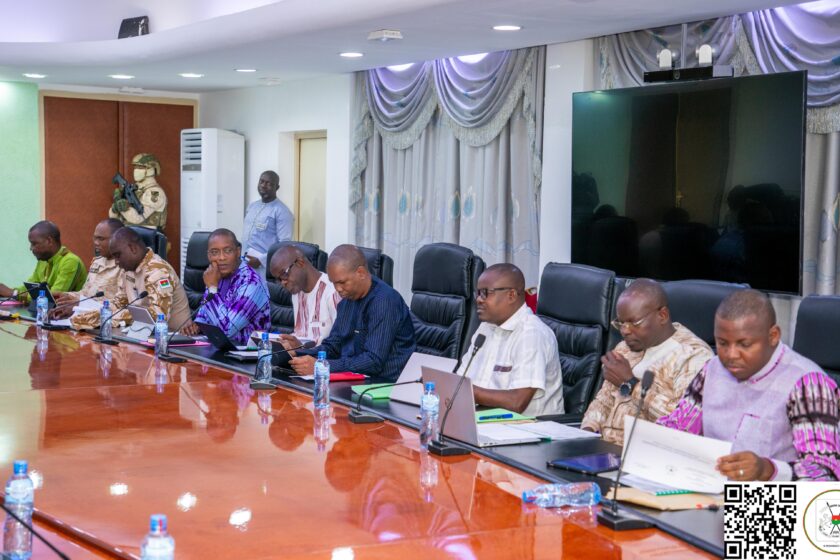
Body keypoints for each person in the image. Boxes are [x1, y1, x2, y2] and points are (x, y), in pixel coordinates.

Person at [659, 290, 840, 481]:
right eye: (722, 343)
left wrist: (767, 470)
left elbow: (824, 473)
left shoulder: (808, 384)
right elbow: (679, 427)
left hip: (773, 503)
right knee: (636, 507)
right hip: (711, 490)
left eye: (744, 344)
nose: (731, 355)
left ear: (773, 336)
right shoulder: (712, 369)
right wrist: (646, 437)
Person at [581, 279, 712, 444]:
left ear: (662, 315)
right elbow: (603, 401)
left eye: (634, 323)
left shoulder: (692, 356)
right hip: (603, 449)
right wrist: (586, 434)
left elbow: (684, 426)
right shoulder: (625, 348)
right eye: (621, 323)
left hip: (646, 457)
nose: (624, 331)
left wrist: (631, 384)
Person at [288, 245, 415, 380]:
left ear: (360, 273)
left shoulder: (385, 301)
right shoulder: (347, 300)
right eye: (334, 283)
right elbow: (333, 346)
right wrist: (297, 355)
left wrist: (323, 365)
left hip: (385, 385)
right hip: (354, 380)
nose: (338, 289)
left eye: (342, 282)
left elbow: (373, 361)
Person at [456, 264, 563, 416]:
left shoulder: (531, 334)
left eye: (485, 293)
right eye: (478, 293)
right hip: (487, 419)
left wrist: (466, 391)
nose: (479, 300)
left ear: (511, 295)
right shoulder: (485, 328)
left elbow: (516, 402)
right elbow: (462, 380)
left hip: (529, 430)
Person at [70, 227, 191, 331]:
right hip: (143, 333)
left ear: (133, 248)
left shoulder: (158, 271)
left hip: (173, 338)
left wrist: (106, 319)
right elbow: (119, 302)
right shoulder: (128, 269)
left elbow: (158, 315)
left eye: (118, 256)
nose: (117, 262)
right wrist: (94, 315)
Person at [181, 229, 270, 344]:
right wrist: (197, 326)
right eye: (214, 252)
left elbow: (226, 330)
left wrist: (212, 288)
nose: (221, 258)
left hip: (248, 356)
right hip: (219, 350)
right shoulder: (216, 275)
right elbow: (203, 317)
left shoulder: (251, 283)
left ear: (238, 252)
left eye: (227, 251)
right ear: (208, 255)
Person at [51, 219, 124, 319]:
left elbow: (120, 304)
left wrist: (80, 305)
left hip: (108, 321)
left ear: (117, 239)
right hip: (86, 318)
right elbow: (86, 293)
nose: (96, 243)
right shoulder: (97, 262)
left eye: (101, 239)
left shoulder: (125, 265)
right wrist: (65, 296)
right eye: (95, 238)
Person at [269, 245, 340, 346]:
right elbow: (302, 336)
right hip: (299, 358)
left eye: (284, 275)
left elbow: (340, 344)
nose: (283, 283)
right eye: (279, 279)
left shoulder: (332, 292)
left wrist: (301, 349)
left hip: (321, 360)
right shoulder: (297, 292)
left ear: (300, 263)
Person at [0, 221, 86, 303]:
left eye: (34, 244)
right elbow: (30, 288)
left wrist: (14, 294)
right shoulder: (44, 260)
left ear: (49, 241)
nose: (31, 248)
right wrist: (8, 291)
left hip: (68, 316)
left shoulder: (70, 261)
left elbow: (53, 298)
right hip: (46, 313)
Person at [242, 170, 294, 276]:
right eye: (261, 182)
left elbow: (284, 245)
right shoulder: (252, 206)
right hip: (244, 264)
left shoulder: (282, 212)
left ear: (277, 187)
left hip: (263, 268)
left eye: (269, 183)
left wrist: (261, 260)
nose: (263, 186)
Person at [109, 153, 168, 229]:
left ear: (151, 170)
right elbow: (113, 218)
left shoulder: (155, 192)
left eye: (141, 167)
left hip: (147, 238)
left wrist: (123, 207)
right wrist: (115, 208)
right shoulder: (134, 188)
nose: (136, 170)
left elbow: (137, 219)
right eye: (135, 167)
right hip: (127, 235)